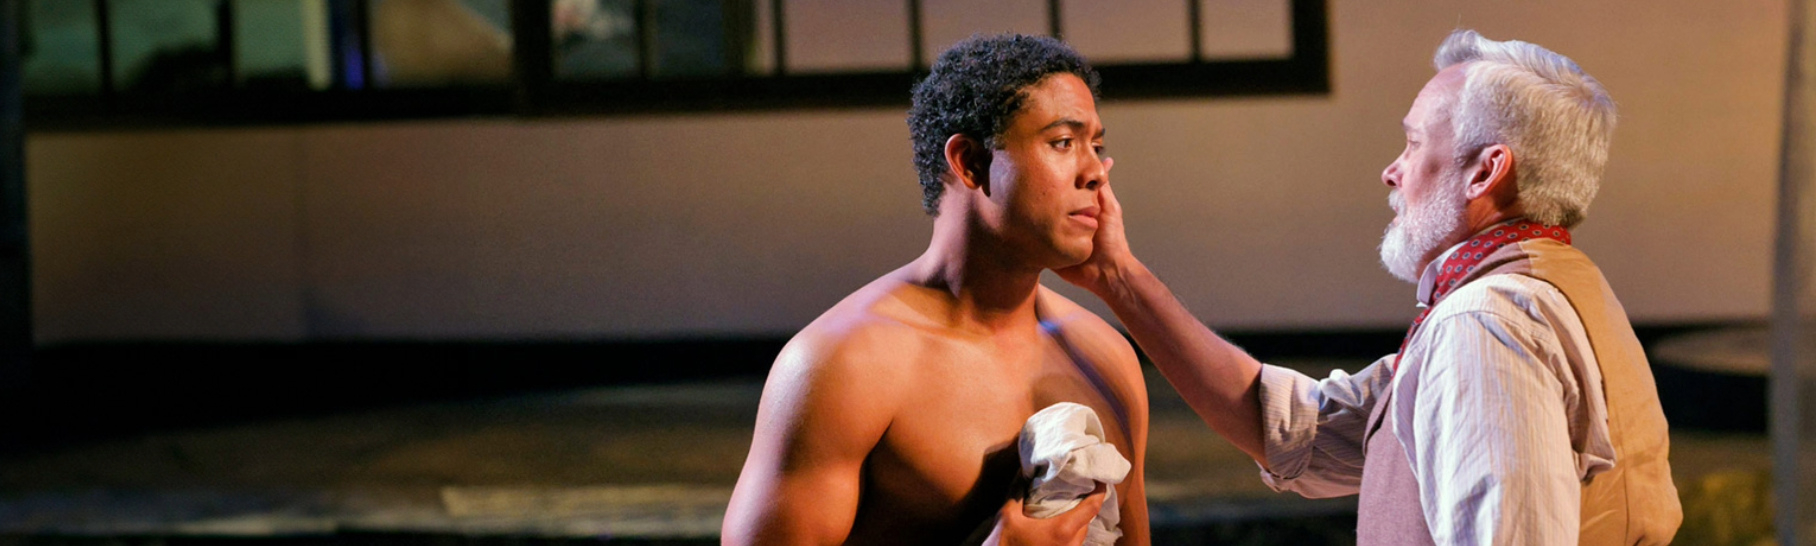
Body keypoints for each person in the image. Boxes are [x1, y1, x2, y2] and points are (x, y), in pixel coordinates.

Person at [1055, 29, 1681, 544]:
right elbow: (1305, 435)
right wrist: (1118, 279)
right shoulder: (1553, 285)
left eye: (1413, 143)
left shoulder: (1487, 324)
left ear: (1485, 171)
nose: (1392, 170)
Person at [722, 34, 1150, 546]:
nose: (1095, 173)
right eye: (1063, 142)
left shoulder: (1105, 357)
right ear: (969, 162)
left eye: (1097, 147)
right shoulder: (845, 365)